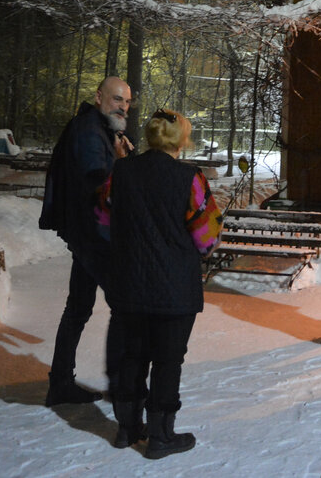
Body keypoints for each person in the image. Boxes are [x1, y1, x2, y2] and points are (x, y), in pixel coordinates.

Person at [105, 108, 222, 459]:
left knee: (132, 356)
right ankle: (160, 435)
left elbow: (102, 215)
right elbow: (207, 236)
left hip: (129, 283)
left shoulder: (120, 171)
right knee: (168, 360)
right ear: (180, 140)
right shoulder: (191, 178)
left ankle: (127, 428)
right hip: (174, 288)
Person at [39, 76, 133, 406]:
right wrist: (122, 164)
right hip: (93, 236)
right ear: (99, 97)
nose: (123, 106)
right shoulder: (89, 131)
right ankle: (121, 386)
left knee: (78, 307)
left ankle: (61, 382)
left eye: (126, 102)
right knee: (126, 306)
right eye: (117, 99)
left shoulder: (98, 129)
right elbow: (98, 183)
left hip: (86, 234)